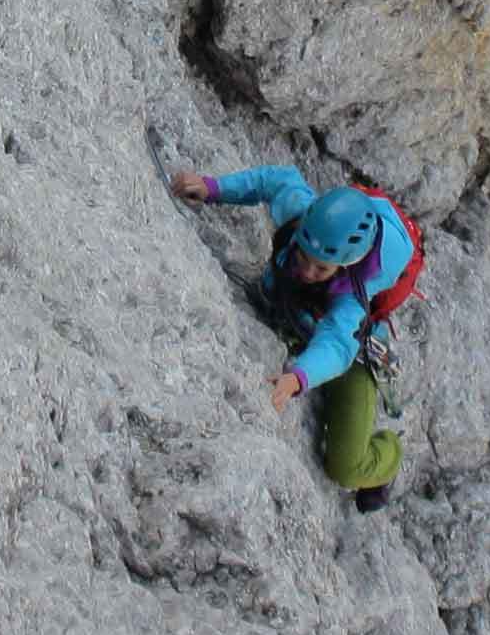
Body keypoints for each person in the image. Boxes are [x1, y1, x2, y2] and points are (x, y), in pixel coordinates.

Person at [168, 164, 424, 512]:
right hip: (309, 319)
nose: (306, 270)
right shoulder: (307, 219)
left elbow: (337, 344)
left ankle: (389, 456)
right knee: (280, 291)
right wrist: (213, 187)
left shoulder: (353, 296)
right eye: (303, 257)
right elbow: (276, 181)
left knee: (346, 468)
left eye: (321, 269)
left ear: (347, 265)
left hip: (356, 358)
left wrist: (297, 378)